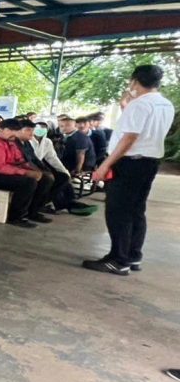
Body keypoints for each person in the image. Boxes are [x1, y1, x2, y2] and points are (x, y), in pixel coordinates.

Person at [84, 64, 175, 276]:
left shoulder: (140, 105)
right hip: (149, 162)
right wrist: (126, 106)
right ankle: (133, 255)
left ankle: (118, 259)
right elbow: (143, 129)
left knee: (118, 211)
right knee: (136, 210)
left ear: (134, 81)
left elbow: (129, 138)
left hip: (129, 163)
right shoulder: (165, 104)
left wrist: (105, 164)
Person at [0, 118, 54, 227]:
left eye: (16, 131)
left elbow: (20, 160)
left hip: (6, 173)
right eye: (11, 130)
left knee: (45, 179)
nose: (14, 134)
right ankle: (15, 217)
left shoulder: (11, 143)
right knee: (28, 182)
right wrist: (25, 173)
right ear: (1, 130)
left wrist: (34, 171)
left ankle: (32, 212)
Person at [20, 121, 89, 214]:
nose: (41, 130)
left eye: (44, 128)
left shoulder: (47, 142)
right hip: (29, 168)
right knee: (47, 179)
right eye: (39, 128)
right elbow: (27, 160)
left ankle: (43, 203)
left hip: (38, 167)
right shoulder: (27, 141)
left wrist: (64, 171)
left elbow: (52, 158)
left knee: (63, 177)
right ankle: (34, 208)